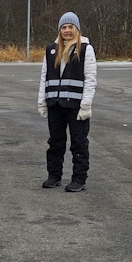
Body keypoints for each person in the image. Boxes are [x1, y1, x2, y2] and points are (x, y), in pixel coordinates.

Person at [38, 11, 97, 192]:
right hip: (55, 104)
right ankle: (54, 176)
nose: (67, 31)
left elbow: (90, 79)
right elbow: (44, 78)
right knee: (55, 142)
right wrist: (42, 102)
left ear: (77, 29)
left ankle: (79, 178)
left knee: (78, 143)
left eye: (71, 27)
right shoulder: (51, 50)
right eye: (64, 27)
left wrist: (86, 106)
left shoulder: (86, 49)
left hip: (76, 106)